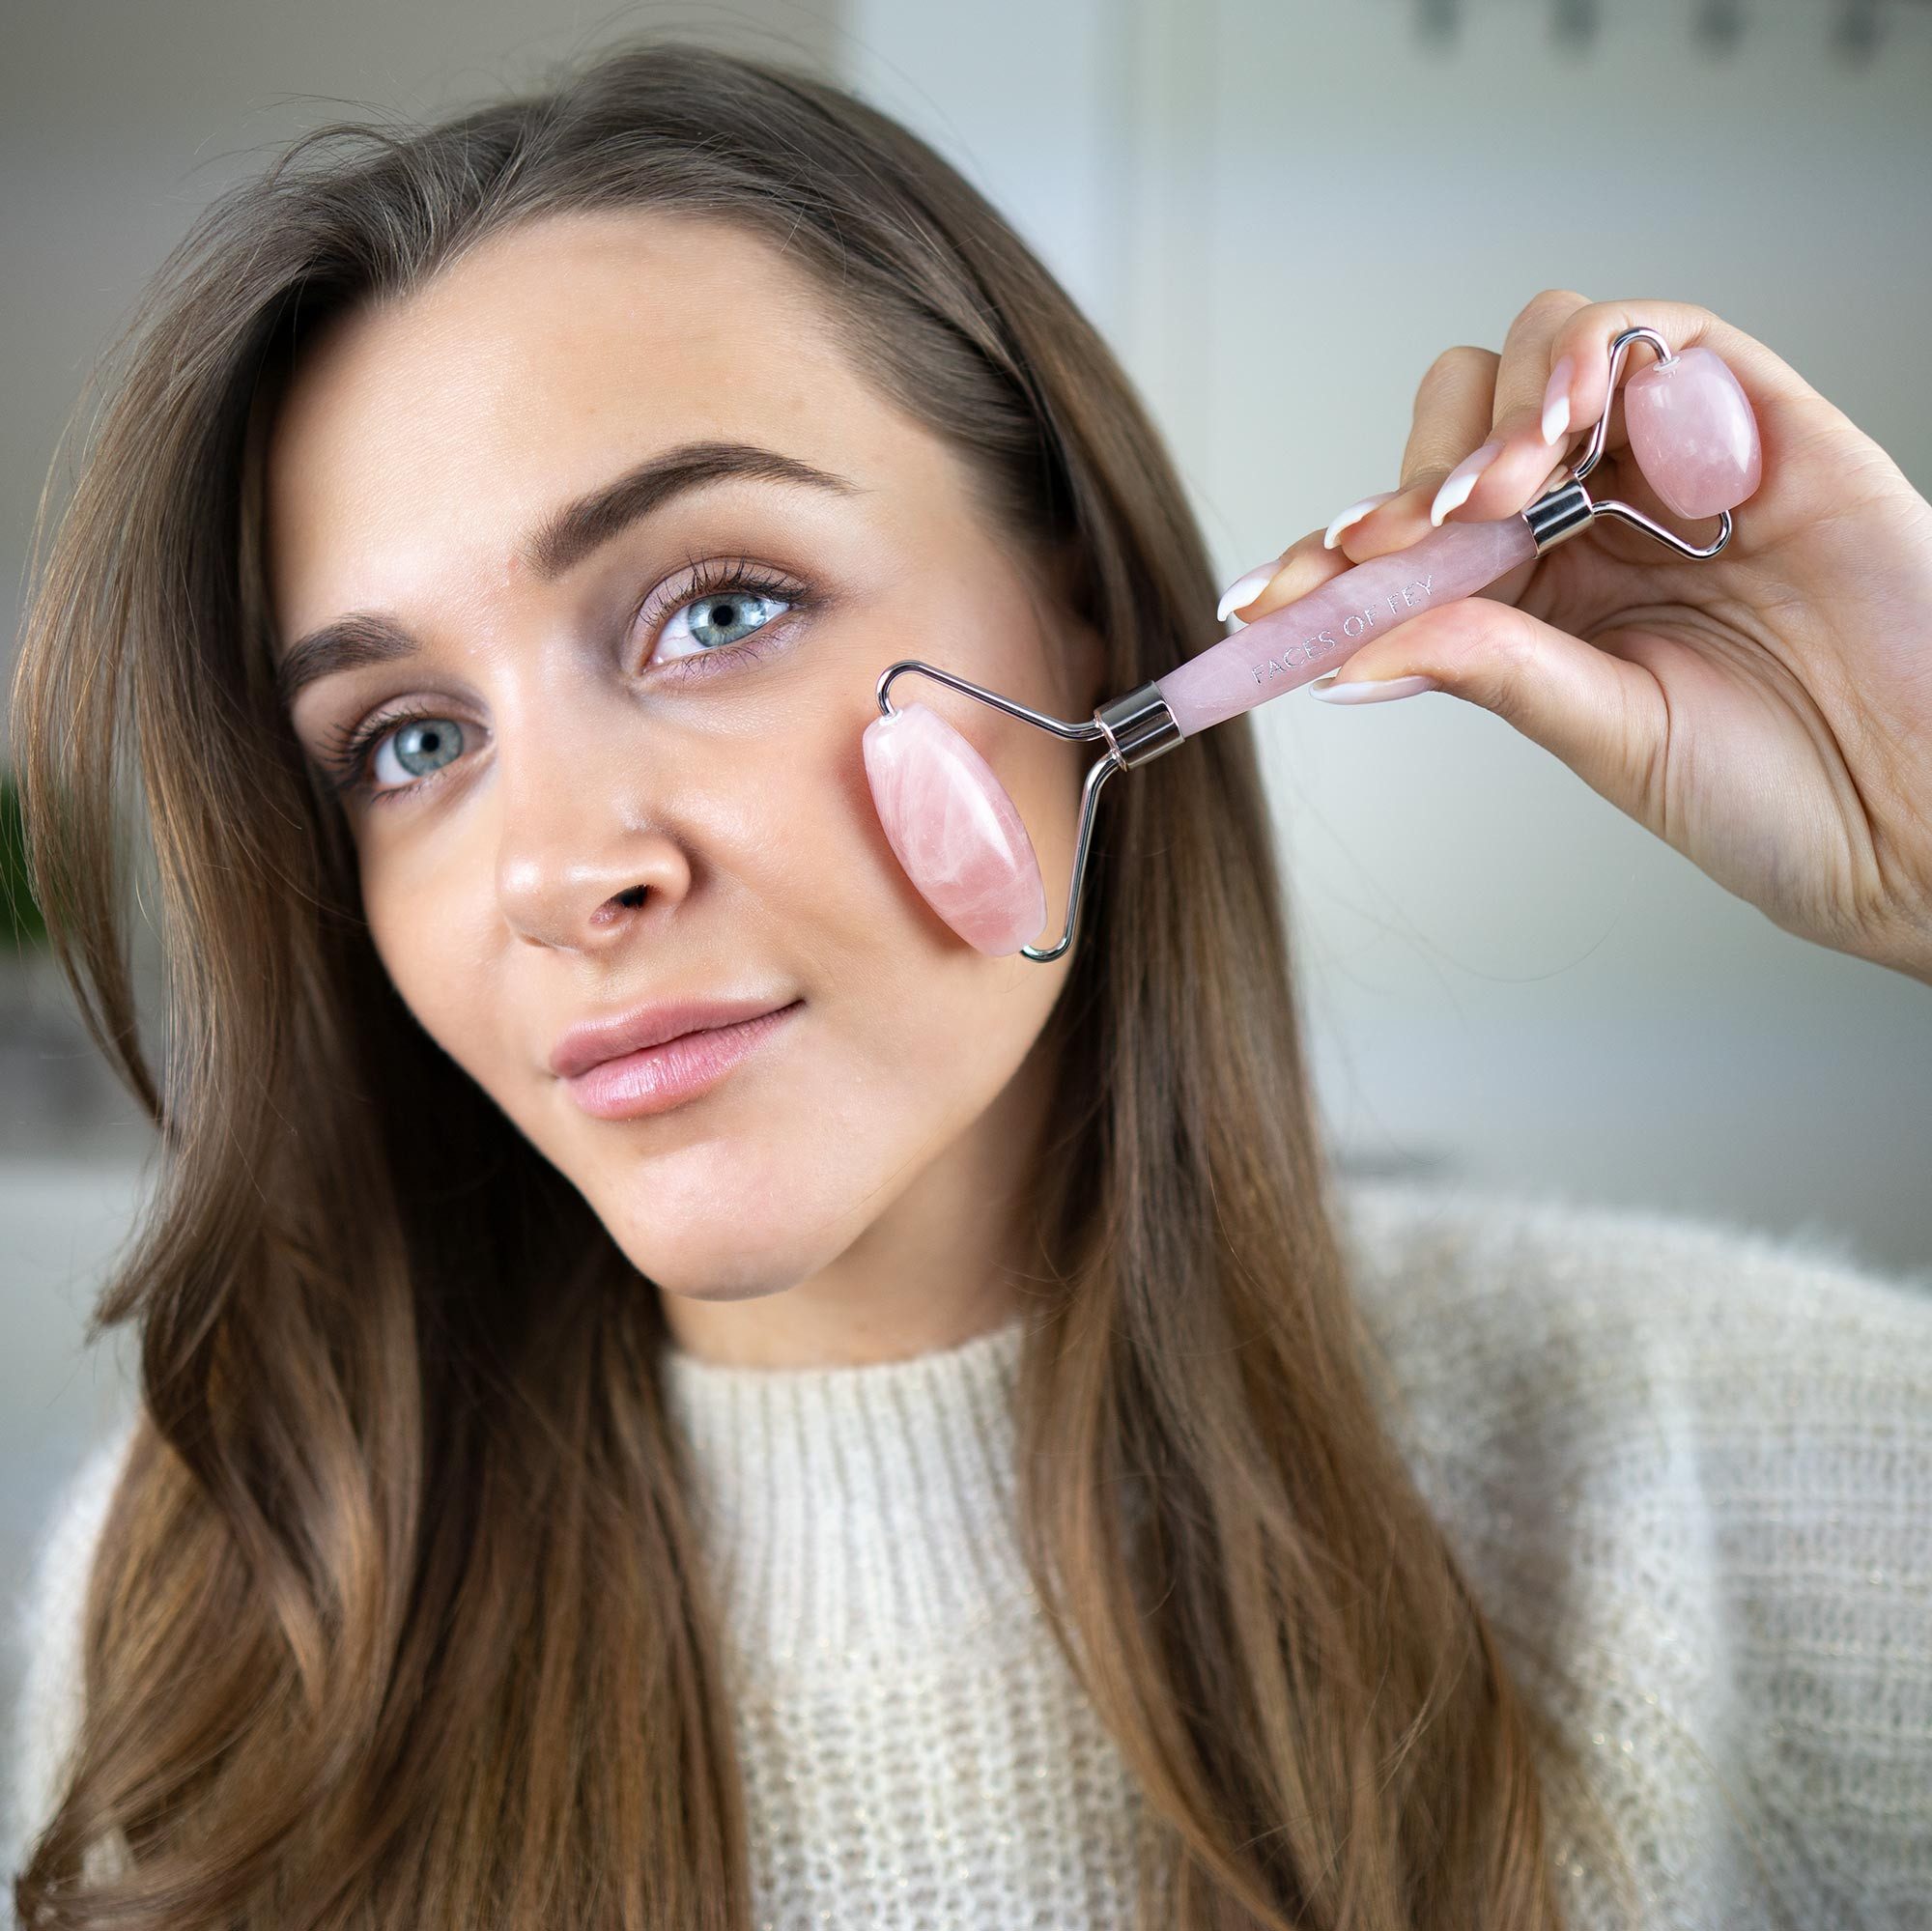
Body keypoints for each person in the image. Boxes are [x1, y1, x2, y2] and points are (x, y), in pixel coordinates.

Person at [5, 35, 1928, 1931]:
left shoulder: (1745, 1473)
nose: (561, 870)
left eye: (720, 611)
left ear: (1079, 596)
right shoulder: (223, 1608)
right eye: (408, 741)